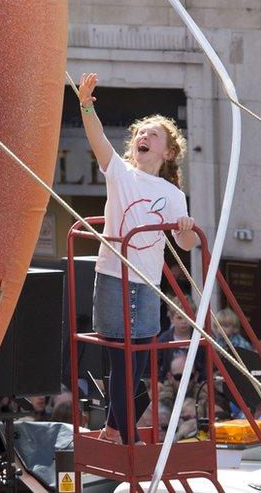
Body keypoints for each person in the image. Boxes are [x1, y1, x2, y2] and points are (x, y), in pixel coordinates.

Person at [79, 73, 197, 445]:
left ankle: (115, 429)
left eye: (154, 134)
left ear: (168, 152)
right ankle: (125, 436)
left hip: (148, 281)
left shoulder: (172, 193)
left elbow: (187, 244)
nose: (144, 137)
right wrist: (85, 104)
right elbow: (97, 138)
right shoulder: (120, 172)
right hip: (115, 274)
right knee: (121, 358)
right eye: (140, 133)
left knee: (141, 360)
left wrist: (188, 227)